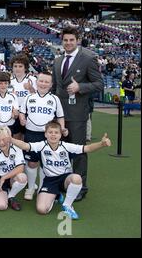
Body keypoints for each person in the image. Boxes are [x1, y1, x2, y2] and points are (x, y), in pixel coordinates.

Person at [11, 121, 111, 220]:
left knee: (76, 178)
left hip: (65, 179)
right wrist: (11, 139)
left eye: (56, 132)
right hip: (50, 181)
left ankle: (67, 205)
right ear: (45, 134)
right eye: (50, 132)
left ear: (60, 135)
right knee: (41, 209)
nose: (53, 135)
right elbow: (25, 145)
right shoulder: (41, 145)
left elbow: (87, 148)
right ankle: (56, 195)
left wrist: (101, 144)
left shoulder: (67, 146)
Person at [52, 26, 103, 201]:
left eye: (71, 40)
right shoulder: (57, 60)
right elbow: (55, 87)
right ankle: (65, 183)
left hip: (78, 114)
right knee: (61, 151)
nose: (68, 43)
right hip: (59, 115)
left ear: (77, 40)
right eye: (65, 40)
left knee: (79, 152)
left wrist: (80, 87)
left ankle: (81, 186)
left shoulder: (88, 58)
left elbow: (99, 84)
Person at [19, 71, 67, 201]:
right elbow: (22, 113)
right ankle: (30, 187)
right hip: (31, 134)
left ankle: (42, 188)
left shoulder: (54, 99)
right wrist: (22, 119)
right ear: (36, 82)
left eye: (47, 82)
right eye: (41, 81)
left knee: (45, 163)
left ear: (51, 84)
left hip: (48, 136)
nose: (43, 84)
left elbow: (60, 116)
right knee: (32, 162)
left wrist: (62, 129)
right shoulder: (29, 98)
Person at [0, 126, 27, 211]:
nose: (1, 143)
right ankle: (4, 192)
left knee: (22, 177)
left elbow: (21, 168)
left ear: (10, 138)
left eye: (4, 139)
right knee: (2, 206)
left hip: (11, 178)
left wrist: (4, 177)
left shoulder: (16, 148)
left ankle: (11, 196)